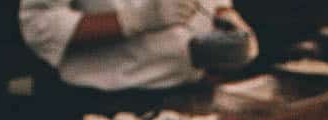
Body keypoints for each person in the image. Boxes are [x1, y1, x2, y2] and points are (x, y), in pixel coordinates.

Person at [17, 0, 257, 92]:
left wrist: (227, 18)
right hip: (112, 103)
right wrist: (132, 20)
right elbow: (38, 25)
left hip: (194, 90)